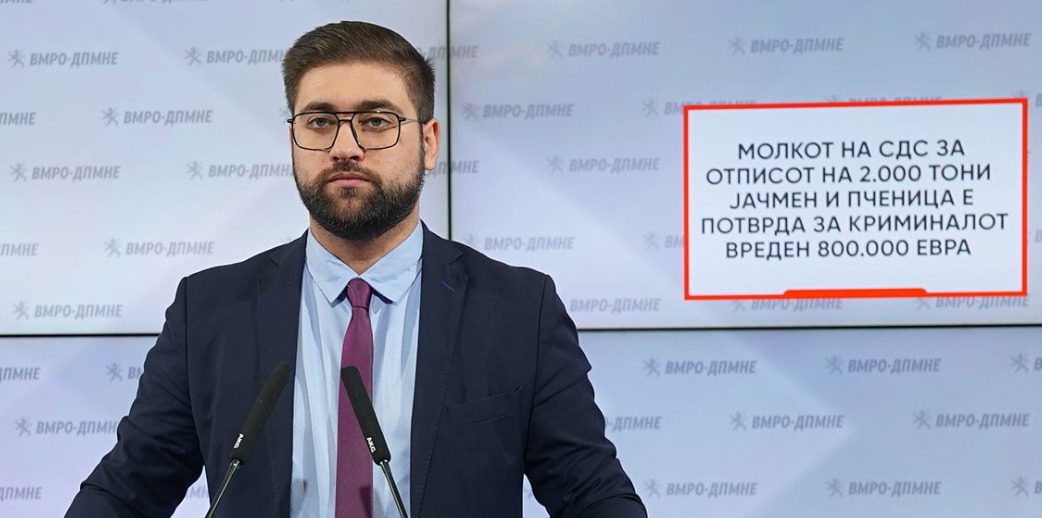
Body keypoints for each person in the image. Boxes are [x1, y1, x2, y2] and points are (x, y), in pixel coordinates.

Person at [65, 21, 646, 518]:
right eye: (320, 122)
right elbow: (126, 492)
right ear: (293, 141)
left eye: (375, 120)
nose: (345, 146)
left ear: (429, 142)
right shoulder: (211, 311)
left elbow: (593, 496)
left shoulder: (517, 310)